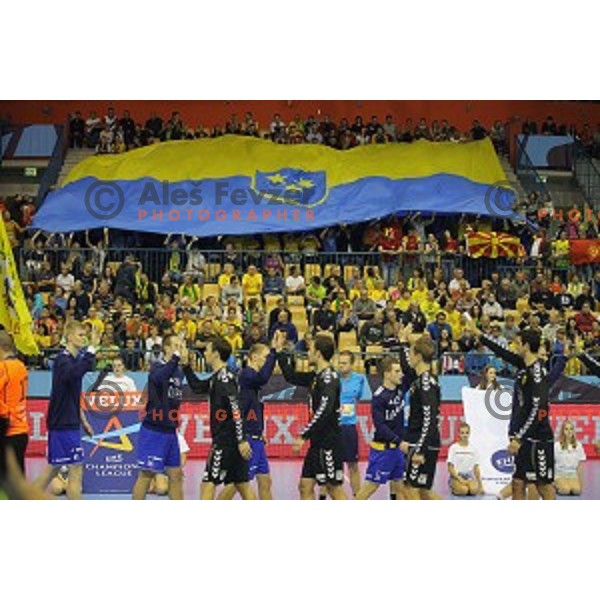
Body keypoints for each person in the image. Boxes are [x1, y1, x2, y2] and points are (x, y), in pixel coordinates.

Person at [477, 327, 561, 500]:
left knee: (542, 485)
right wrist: (480, 336)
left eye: (518, 343)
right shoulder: (524, 365)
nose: (514, 346)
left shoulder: (536, 373)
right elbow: (503, 352)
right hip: (523, 437)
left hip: (538, 439)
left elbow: (538, 410)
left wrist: (519, 438)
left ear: (526, 345)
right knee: (517, 483)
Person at [182, 337, 255, 500]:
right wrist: (186, 366)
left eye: (207, 350)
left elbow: (236, 409)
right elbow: (197, 387)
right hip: (232, 440)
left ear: (215, 354)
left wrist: (241, 439)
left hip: (225, 441)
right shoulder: (219, 376)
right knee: (242, 484)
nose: (205, 353)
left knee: (208, 483)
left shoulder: (224, 379)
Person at [276, 332, 347, 500]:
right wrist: (279, 351)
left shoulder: (329, 378)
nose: (307, 353)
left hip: (328, 443)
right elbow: (291, 376)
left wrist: (303, 435)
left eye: (310, 350)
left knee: (333, 488)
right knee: (304, 485)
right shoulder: (316, 376)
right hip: (317, 443)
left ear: (318, 354)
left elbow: (324, 410)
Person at [33, 321, 98, 499]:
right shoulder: (63, 360)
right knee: (75, 468)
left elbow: (73, 394)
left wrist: (83, 421)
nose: (83, 338)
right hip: (62, 423)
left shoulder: (73, 360)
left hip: (68, 421)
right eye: (80, 335)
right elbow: (75, 374)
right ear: (69, 337)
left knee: (55, 469)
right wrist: (91, 351)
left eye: (84, 335)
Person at [217, 342, 277, 500]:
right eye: (265, 357)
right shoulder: (246, 374)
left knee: (265, 482)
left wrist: (260, 430)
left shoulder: (253, 382)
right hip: (248, 438)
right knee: (236, 484)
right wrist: (274, 352)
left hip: (256, 437)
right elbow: (263, 377)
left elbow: (253, 408)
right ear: (254, 357)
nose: (267, 360)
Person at [132, 335, 185, 500]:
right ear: (167, 348)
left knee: (176, 475)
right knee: (146, 475)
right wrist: (175, 358)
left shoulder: (179, 371)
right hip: (154, 429)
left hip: (170, 430)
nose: (180, 348)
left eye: (181, 345)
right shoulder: (157, 366)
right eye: (176, 345)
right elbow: (159, 378)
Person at [398, 325, 442, 500]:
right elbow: (406, 369)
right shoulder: (421, 379)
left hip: (421, 443)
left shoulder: (425, 384)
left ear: (417, 356)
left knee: (410, 489)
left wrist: (420, 449)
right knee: (423, 491)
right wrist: (402, 344)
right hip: (420, 441)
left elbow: (429, 419)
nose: (409, 356)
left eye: (410, 352)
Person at [355, 356, 405, 500]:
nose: (401, 374)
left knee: (399, 488)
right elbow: (380, 426)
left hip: (397, 450)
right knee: (370, 487)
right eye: (397, 371)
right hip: (383, 450)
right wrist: (399, 441)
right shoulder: (379, 397)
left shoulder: (400, 389)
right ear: (387, 374)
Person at [328, 350, 370, 498]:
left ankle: (357, 497)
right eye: (339, 362)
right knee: (330, 466)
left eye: (344, 363)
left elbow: (357, 397)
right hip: (332, 428)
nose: (341, 366)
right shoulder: (332, 378)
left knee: (353, 465)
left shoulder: (359, 379)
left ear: (352, 365)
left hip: (349, 428)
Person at [0, 332, 29, 475]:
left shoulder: (3, 367)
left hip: (7, 430)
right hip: (21, 429)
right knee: (18, 480)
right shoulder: (21, 366)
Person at [447, 423, 484, 496]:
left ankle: (467, 487)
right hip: (457, 476)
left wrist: (480, 485)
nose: (465, 435)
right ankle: (453, 486)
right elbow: (450, 468)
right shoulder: (453, 448)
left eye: (467, 433)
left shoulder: (473, 449)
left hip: (469, 476)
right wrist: (459, 479)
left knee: (474, 490)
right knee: (464, 490)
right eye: (462, 433)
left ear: (469, 433)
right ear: (458, 433)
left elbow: (476, 468)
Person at [554, 420, 586, 496]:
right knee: (565, 491)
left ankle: (571, 484)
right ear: (563, 431)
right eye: (566, 429)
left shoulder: (578, 446)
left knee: (577, 491)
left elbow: (580, 466)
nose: (569, 431)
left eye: (571, 429)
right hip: (560, 474)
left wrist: (581, 483)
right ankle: (556, 486)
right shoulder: (557, 446)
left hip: (573, 475)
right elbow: (552, 463)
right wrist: (552, 480)